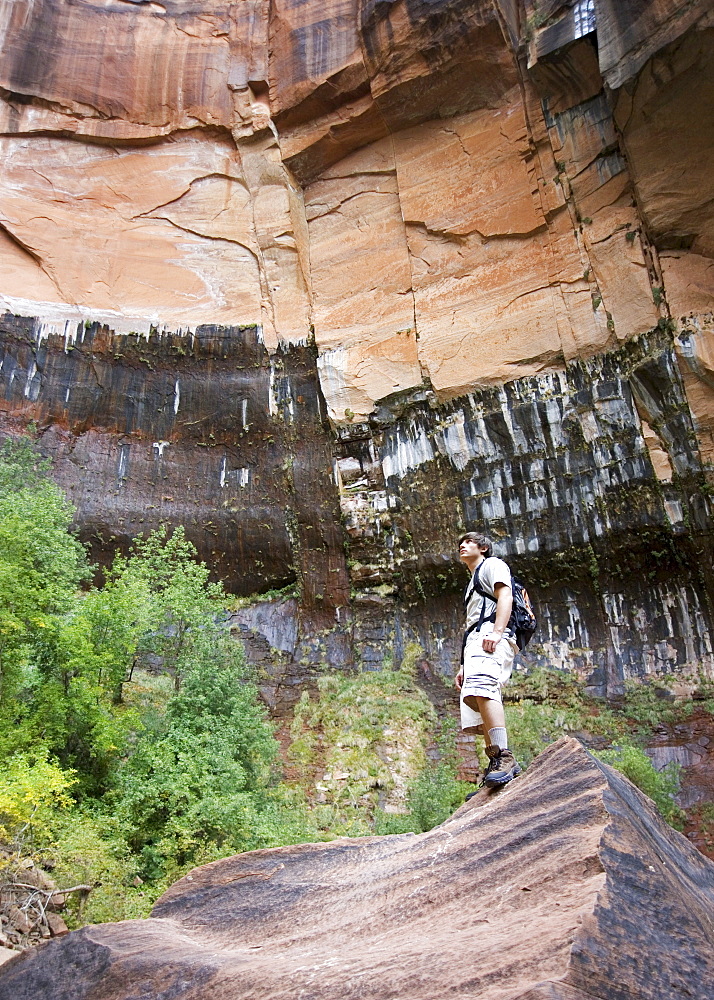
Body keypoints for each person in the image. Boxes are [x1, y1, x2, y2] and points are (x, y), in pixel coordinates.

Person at [455, 531, 522, 787]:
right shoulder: (472, 581)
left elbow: (505, 596)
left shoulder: (493, 565)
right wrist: (463, 664)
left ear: (483, 548)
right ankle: (495, 763)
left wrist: (497, 632)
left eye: (469, 542)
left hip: (491, 636)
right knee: (477, 702)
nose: (463, 545)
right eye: (461, 543)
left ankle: (504, 757)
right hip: (475, 642)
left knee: (484, 690)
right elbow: (471, 623)